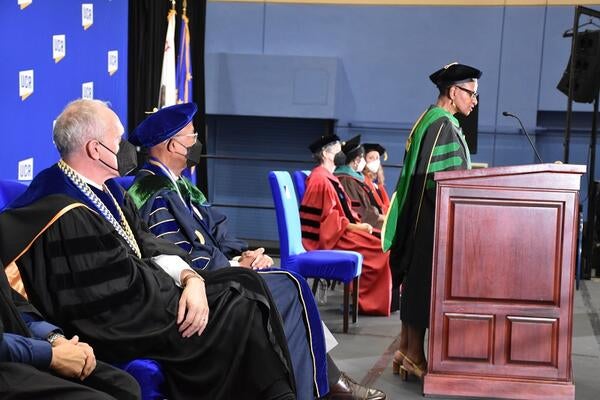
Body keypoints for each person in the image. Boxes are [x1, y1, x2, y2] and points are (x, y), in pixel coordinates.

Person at [0, 99, 297, 400]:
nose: (128, 149)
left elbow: (148, 244)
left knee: (245, 287)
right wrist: (185, 293)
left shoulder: (109, 189)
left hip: (143, 298)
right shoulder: (62, 209)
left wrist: (190, 278)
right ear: (94, 149)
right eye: (119, 140)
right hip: (117, 321)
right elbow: (112, 294)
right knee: (240, 304)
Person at [126, 102, 387, 400]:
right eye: (192, 136)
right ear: (173, 145)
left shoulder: (181, 186)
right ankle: (322, 387)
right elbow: (175, 253)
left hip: (219, 272)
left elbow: (218, 233)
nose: (197, 143)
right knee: (290, 285)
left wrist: (243, 257)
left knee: (284, 282)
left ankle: (322, 383)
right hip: (194, 287)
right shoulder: (151, 192)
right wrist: (235, 267)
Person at [382, 62, 481, 380]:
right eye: (471, 93)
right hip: (430, 217)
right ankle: (414, 355)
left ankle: (407, 349)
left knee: (414, 285)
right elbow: (448, 180)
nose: (474, 101)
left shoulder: (427, 118)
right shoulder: (445, 125)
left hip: (417, 214)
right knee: (423, 286)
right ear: (454, 92)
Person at [0, 261, 141, 399]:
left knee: (124, 386)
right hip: (8, 365)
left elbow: (14, 304)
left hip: (25, 347)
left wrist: (55, 339)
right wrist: (51, 355)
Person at [300, 135, 392, 316]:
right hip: (329, 238)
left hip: (339, 232)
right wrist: (356, 228)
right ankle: (366, 303)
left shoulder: (328, 177)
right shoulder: (319, 180)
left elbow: (339, 214)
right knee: (380, 248)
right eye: (336, 149)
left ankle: (370, 300)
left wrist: (357, 226)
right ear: (326, 154)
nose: (341, 153)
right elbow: (324, 221)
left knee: (380, 241)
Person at [334, 135, 385, 230]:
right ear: (356, 160)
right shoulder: (346, 180)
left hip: (368, 222)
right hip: (360, 226)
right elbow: (359, 210)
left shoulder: (354, 178)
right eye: (362, 157)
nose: (363, 161)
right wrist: (381, 217)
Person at [362, 143, 390, 215]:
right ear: (364, 160)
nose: (375, 161)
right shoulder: (362, 182)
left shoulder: (378, 184)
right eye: (371, 158)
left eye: (377, 158)